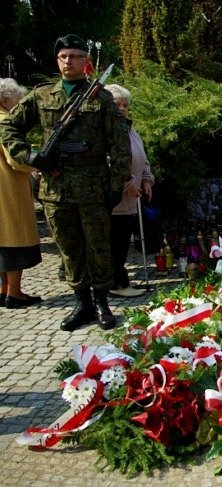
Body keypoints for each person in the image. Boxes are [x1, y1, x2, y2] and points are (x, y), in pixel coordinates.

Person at [0, 34, 131, 329]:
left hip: (94, 187)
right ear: (57, 61)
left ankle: (102, 304)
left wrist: (116, 184)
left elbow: (119, 144)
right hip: (56, 188)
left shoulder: (102, 98)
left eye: (74, 56)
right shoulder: (42, 95)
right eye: (63, 57)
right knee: (69, 249)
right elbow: (9, 125)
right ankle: (81, 303)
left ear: (86, 61)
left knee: (98, 247)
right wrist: (30, 156)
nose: (68, 61)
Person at [105, 84, 154, 298]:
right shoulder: (106, 130)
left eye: (125, 105)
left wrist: (146, 179)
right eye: (117, 104)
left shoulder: (129, 128)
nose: (122, 108)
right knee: (115, 241)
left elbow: (142, 157)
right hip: (115, 197)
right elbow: (108, 162)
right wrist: (128, 183)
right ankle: (116, 283)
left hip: (131, 198)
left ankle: (120, 280)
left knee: (122, 240)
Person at [0, 78, 42, 309]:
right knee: (12, 240)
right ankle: (14, 293)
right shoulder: (5, 122)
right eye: (17, 102)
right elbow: (15, 158)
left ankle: (4, 289)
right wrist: (36, 163)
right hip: (8, 189)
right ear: (6, 101)